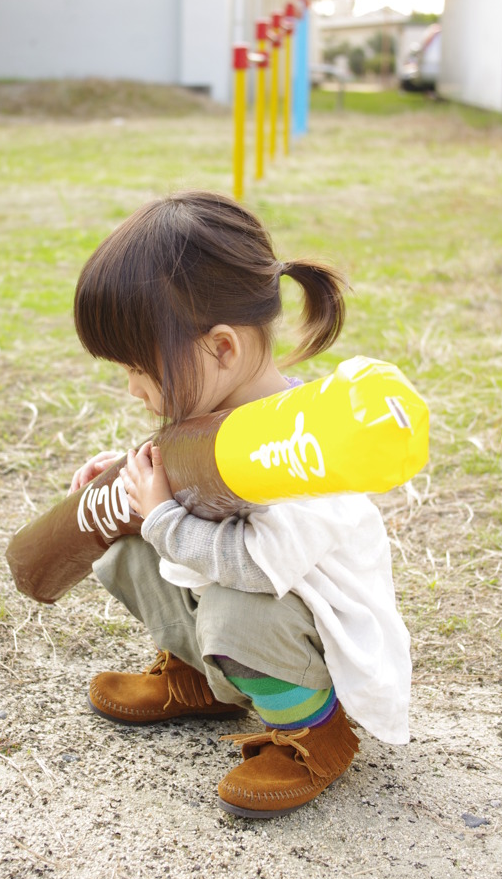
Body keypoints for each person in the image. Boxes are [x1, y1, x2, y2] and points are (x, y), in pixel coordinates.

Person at [69, 190, 412, 819]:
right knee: (124, 541)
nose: (133, 387)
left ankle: (313, 730)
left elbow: (255, 567)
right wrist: (123, 481)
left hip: (304, 634)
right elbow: (179, 480)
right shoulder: (209, 411)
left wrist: (164, 517)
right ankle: (200, 678)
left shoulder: (307, 449)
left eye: (139, 367)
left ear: (221, 348)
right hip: (228, 598)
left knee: (235, 607)